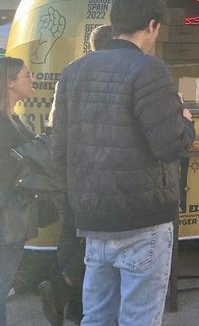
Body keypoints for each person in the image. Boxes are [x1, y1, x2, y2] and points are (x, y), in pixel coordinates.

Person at [51, 0, 195, 326]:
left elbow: (59, 151)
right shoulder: (150, 70)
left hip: (91, 216)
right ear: (151, 25)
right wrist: (187, 125)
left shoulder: (72, 73)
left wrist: (77, 203)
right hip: (142, 218)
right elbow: (169, 145)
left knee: (97, 316)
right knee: (139, 318)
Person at [39, 24, 114, 325]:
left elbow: (56, 126)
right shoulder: (116, 76)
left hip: (72, 170)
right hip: (102, 171)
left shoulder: (70, 73)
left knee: (72, 233)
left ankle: (70, 298)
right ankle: (67, 290)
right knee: (97, 240)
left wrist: (61, 171)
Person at [0, 57, 37, 326]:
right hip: (7, 216)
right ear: (9, 82)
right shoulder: (4, 123)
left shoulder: (11, 118)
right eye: (26, 74)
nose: (32, 78)